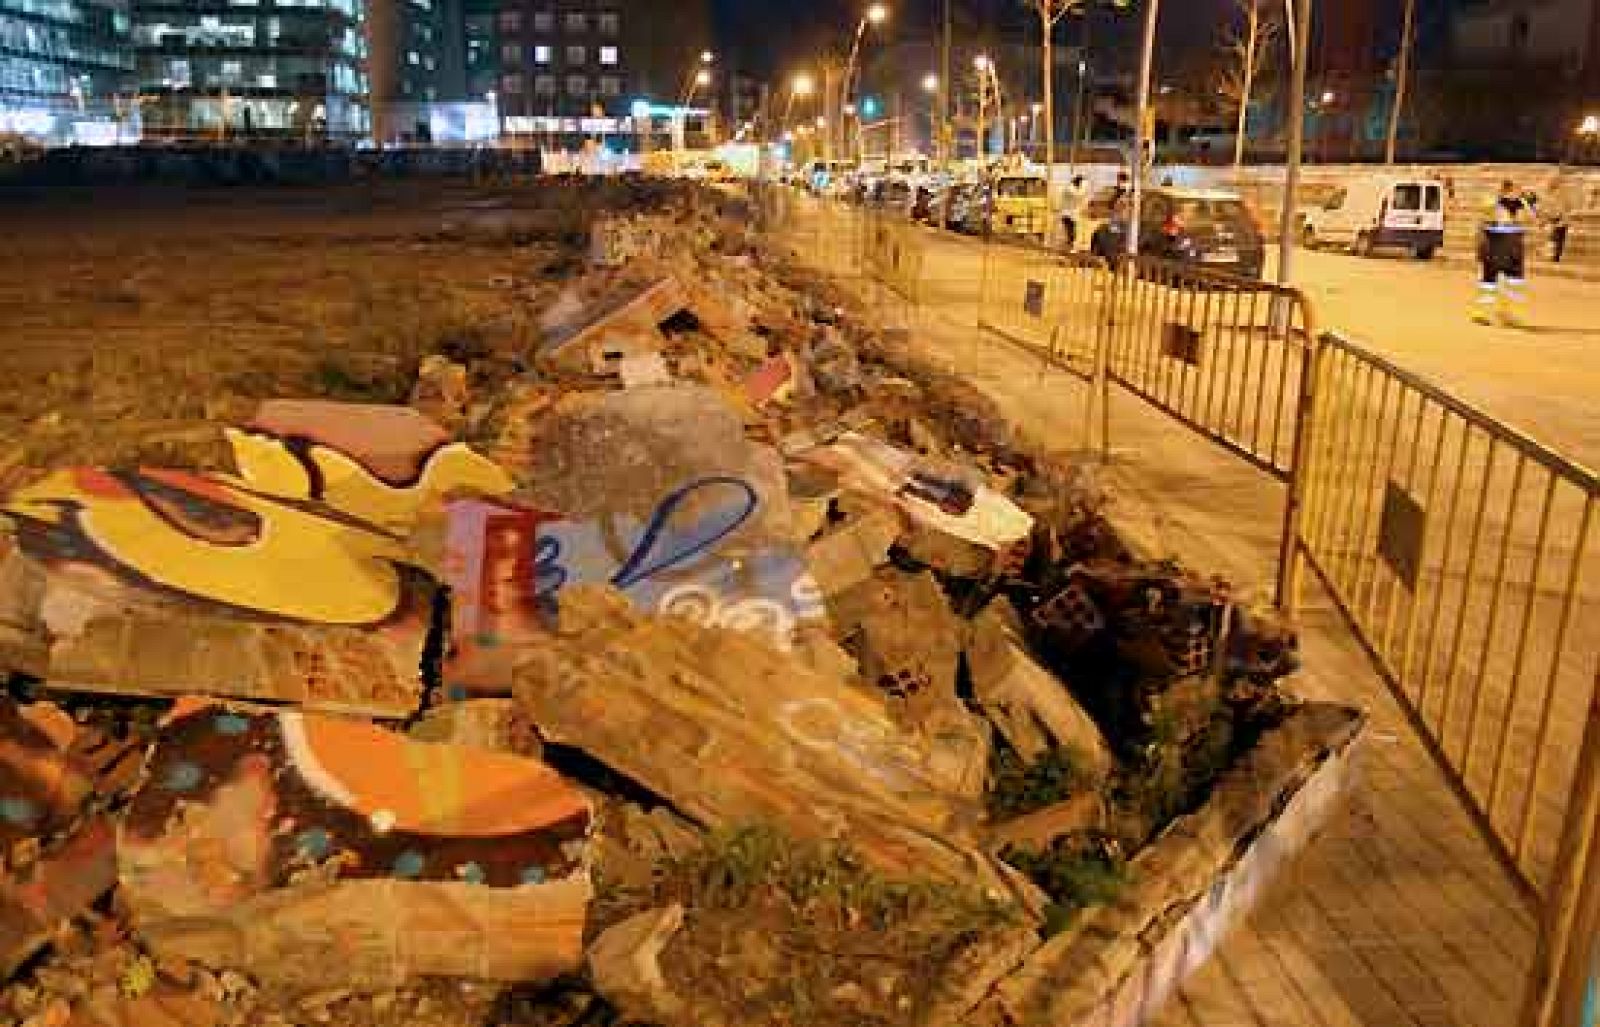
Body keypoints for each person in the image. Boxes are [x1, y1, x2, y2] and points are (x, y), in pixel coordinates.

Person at [1473, 179, 1536, 327]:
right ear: (1508, 190)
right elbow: (1485, 217)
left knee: (1503, 281)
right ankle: (1486, 313)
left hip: (1506, 245)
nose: (1518, 192)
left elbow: (1531, 217)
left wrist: (1524, 201)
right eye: (1516, 189)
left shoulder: (1513, 205)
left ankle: (1501, 313)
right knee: (1491, 281)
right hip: (1496, 245)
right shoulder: (1495, 203)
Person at [1059, 174, 1089, 251]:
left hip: (1072, 214)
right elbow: (1078, 196)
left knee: (1072, 233)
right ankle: (1070, 248)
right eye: (1082, 184)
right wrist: (1084, 188)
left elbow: (1081, 199)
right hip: (1067, 214)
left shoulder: (1074, 189)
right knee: (1071, 233)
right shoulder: (1070, 188)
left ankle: (1070, 247)